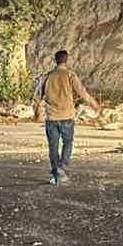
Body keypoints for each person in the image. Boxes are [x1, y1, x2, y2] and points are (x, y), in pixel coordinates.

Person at [33, 49, 93, 185]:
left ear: (55, 60)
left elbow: (37, 98)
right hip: (67, 116)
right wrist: (95, 105)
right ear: (66, 60)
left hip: (51, 118)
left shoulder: (47, 76)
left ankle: (55, 173)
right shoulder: (70, 75)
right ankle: (63, 166)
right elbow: (82, 92)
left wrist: (37, 113)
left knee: (53, 146)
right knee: (68, 142)